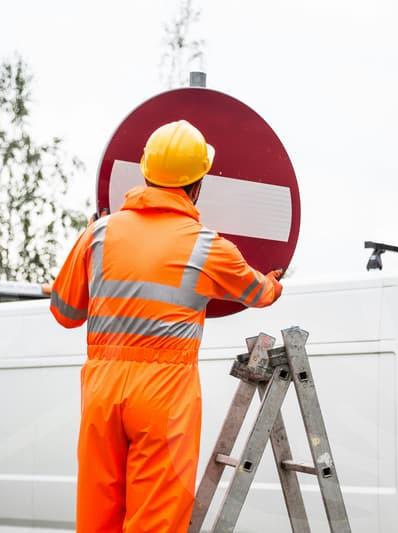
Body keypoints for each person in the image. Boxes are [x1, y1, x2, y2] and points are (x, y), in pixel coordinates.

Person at [50, 119, 283, 532]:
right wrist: (273, 283)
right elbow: (257, 294)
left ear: (145, 172)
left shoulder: (98, 235)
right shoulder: (207, 246)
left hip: (102, 390)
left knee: (97, 518)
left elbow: (65, 314)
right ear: (198, 184)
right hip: (164, 394)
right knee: (155, 522)